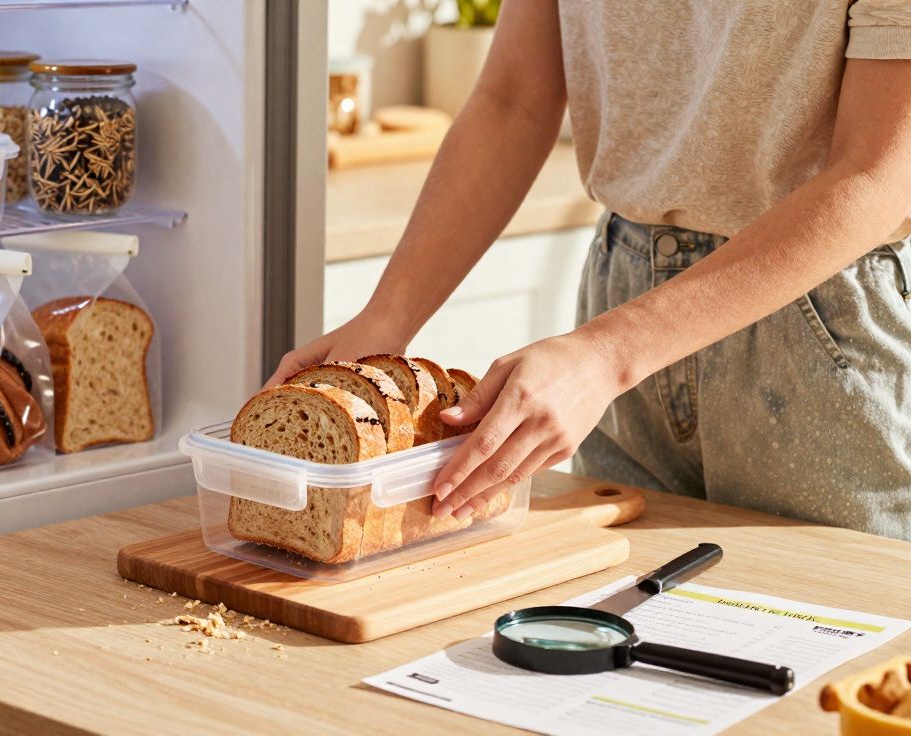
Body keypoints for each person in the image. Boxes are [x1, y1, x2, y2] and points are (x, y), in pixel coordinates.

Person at [268, 0, 911, 540]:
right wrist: (387, 316)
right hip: (622, 280)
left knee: (831, 644)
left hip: (819, 323)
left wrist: (607, 354)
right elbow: (513, 99)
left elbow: (879, 176)